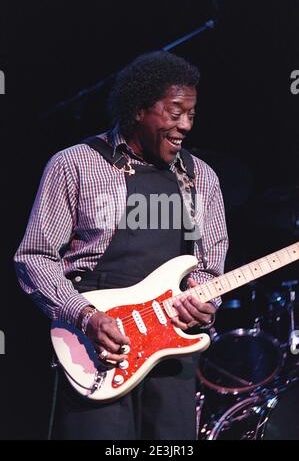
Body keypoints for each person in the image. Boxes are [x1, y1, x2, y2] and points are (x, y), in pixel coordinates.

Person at [14, 51, 228, 440]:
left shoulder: (203, 178)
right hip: (97, 342)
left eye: (191, 115)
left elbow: (208, 266)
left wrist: (204, 305)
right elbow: (35, 256)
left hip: (171, 348)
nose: (185, 126)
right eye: (175, 112)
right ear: (138, 110)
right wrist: (84, 316)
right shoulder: (75, 164)